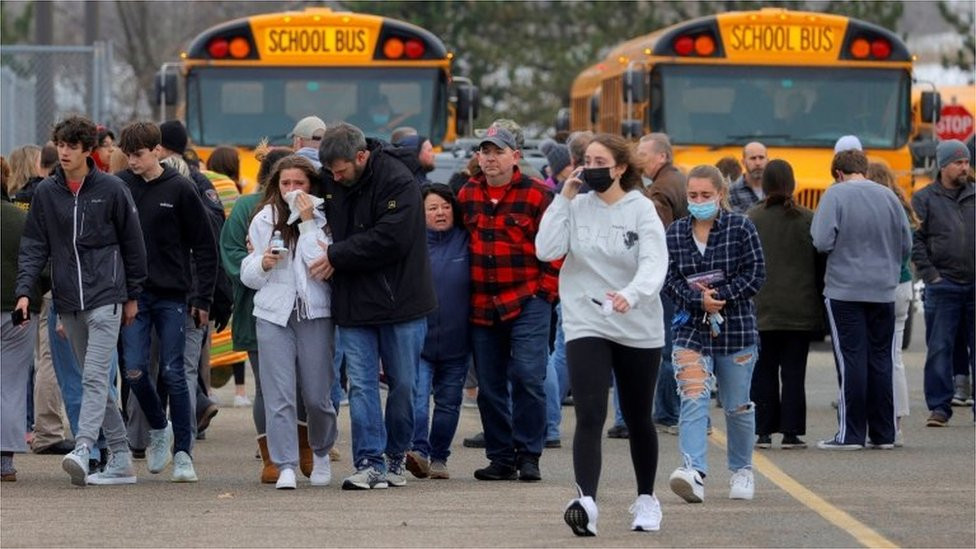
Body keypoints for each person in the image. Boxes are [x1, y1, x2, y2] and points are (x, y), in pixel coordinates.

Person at [537, 133, 668, 535]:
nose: (590, 167)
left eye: (599, 161)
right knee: (590, 413)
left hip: (637, 323)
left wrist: (632, 294)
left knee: (638, 415)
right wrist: (564, 198)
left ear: (620, 168)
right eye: (586, 160)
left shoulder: (640, 210)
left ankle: (646, 498)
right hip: (586, 320)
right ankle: (586, 502)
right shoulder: (574, 206)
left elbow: (654, 263)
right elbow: (546, 249)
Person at [14, 115, 147, 486]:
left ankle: (85, 447)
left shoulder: (112, 189)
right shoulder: (46, 192)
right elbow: (34, 246)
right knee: (96, 383)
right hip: (67, 300)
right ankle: (120, 457)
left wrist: (133, 295)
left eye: (73, 146)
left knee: (93, 375)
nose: (66, 152)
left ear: (88, 150)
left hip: (107, 296)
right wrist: (25, 291)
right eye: (62, 145)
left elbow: (134, 245)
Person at [314, 123, 436, 490]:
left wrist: (337, 254)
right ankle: (369, 461)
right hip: (353, 301)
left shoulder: (399, 180)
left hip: (402, 300)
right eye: (331, 172)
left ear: (362, 157)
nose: (335, 178)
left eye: (341, 171)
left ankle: (396, 455)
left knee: (403, 385)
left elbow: (391, 238)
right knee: (362, 386)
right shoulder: (331, 179)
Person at [116, 121, 219, 482]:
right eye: (128, 155)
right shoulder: (122, 187)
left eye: (139, 154)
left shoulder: (180, 189)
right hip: (134, 296)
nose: (132, 161)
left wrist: (202, 297)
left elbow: (205, 247)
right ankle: (159, 426)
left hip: (174, 295)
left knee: (176, 372)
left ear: (157, 150)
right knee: (133, 369)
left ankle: (184, 454)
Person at [457, 126, 558, 482]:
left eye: (498, 151)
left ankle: (529, 455)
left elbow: (557, 245)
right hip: (482, 304)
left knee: (529, 377)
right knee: (489, 384)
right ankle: (500, 456)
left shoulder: (537, 195)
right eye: (485, 151)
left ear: (515, 156)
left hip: (528, 298)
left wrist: (546, 291)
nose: (490, 158)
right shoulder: (466, 194)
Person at [665, 164, 766, 503]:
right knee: (693, 396)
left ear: (720, 194)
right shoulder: (676, 233)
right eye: (692, 195)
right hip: (691, 326)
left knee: (737, 405)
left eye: (706, 195)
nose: (698, 201)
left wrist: (721, 297)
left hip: (735, 327)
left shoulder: (741, 227)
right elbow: (668, 279)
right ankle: (693, 470)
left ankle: (742, 469)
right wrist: (698, 299)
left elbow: (756, 273)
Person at [240, 154, 338, 490]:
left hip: (315, 312)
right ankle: (285, 464)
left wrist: (308, 221)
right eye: (285, 184)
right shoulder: (264, 218)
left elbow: (318, 264)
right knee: (278, 394)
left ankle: (322, 450)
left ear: (311, 185)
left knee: (316, 395)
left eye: (299, 183)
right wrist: (263, 263)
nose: (292, 190)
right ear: (275, 186)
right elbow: (249, 275)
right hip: (273, 314)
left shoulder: (325, 219)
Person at [811, 149, 911, 449]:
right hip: (883, 288)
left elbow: (821, 240)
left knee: (851, 358)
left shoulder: (835, 195)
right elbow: (906, 242)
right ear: (863, 169)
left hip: (845, 289)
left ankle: (851, 433)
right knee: (882, 358)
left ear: (838, 173)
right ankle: (884, 433)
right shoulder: (889, 196)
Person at [221, 146, 302, 483]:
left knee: (300, 387)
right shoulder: (246, 207)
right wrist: (258, 265)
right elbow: (232, 255)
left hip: (301, 308)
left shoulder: (310, 208)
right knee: (269, 387)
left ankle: (299, 449)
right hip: (258, 309)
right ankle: (271, 456)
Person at [747, 159, 822, 450]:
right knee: (793, 373)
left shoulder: (751, 218)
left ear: (764, 185)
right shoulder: (808, 218)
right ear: (792, 184)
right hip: (799, 310)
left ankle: (763, 430)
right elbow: (819, 264)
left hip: (761, 308)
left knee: (763, 370)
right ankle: (792, 431)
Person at [404, 184, 470, 480]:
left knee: (449, 403)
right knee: (417, 401)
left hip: (458, 342)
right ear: (421, 214)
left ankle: (440, 457)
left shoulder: (466, 240)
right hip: (420, 341)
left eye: (445, 206)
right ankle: (418, 451)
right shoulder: (412, 243)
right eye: (432, 208)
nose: (440, 212)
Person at [911, 139, 974, 427]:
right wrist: (931, 276)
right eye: (958, 162)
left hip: (973, 285)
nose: (964, 167)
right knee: (939, 348)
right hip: (943, 285)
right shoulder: (924, 199)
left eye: (966, 162)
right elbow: (916, 241)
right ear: (943, 165)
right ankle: (939, 407)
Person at [636, 132, 689, 436]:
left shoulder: (660, 190)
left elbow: (658, 238)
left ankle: (669, 413)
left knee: (668, 349)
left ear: (662, 157)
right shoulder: (677, 181)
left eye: (644, 154)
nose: (639, 159)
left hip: (669, 279)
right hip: (682, 277)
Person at [2, 156, 49, 481]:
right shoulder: (21, 219)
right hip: (19, 311)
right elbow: (43, 264)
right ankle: (4, 460)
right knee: (11, 383)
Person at [866, 161, 917, 443]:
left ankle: (873, 420)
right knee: (894, 357)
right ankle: (896, 423)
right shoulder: (900, 205)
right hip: (903, 282)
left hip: (877, 285)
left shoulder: (871, 208)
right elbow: (907, 246)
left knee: (871, 356)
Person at [728, 141, 768, 213]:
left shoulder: (777, 190)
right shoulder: (731, 192)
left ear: (767, 161)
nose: (757, 163)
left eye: (761, 158)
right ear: (743, 162)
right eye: (753, 158)